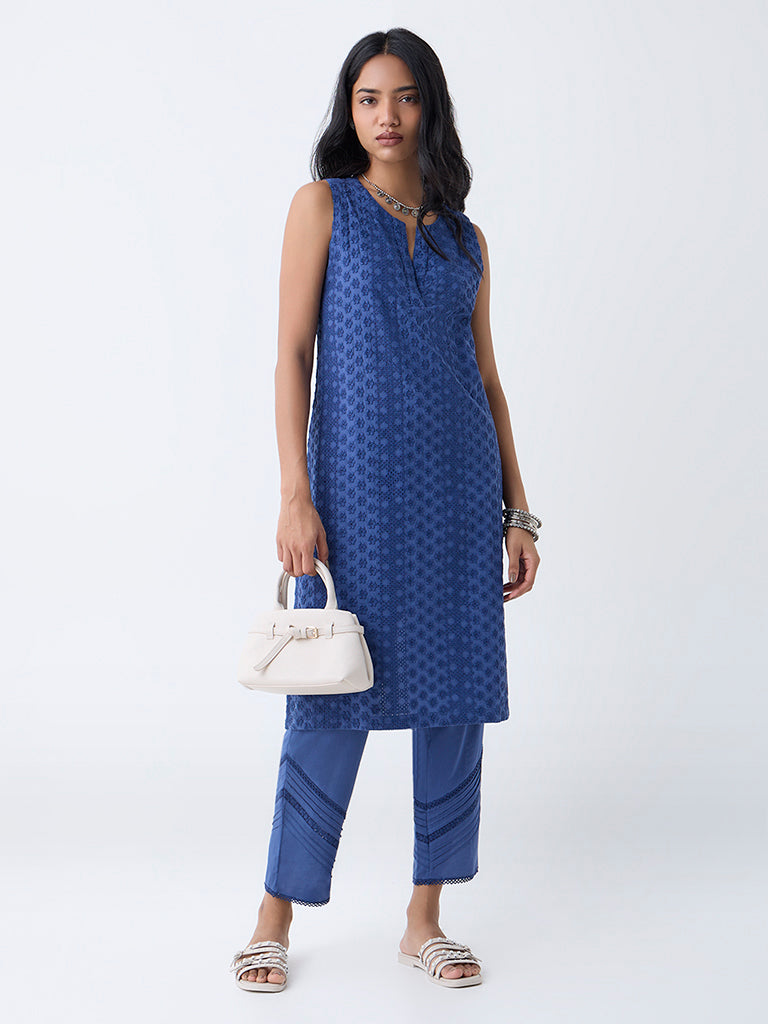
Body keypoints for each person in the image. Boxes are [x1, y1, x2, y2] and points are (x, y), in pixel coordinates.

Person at [229, 27, 541, 992]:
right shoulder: (323, 206)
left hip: (455, 499)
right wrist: (294, 493)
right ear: (349, 111)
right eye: (368, 99)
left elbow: (487, 378)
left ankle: (425, 917)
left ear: (429, 106)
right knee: (327, 697)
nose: (387, 116)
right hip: (353, 498)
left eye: (404, 97)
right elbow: (291, 354)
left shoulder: (465, 239)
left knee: (455, 704)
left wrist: (519, 510)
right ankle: (274, 915)